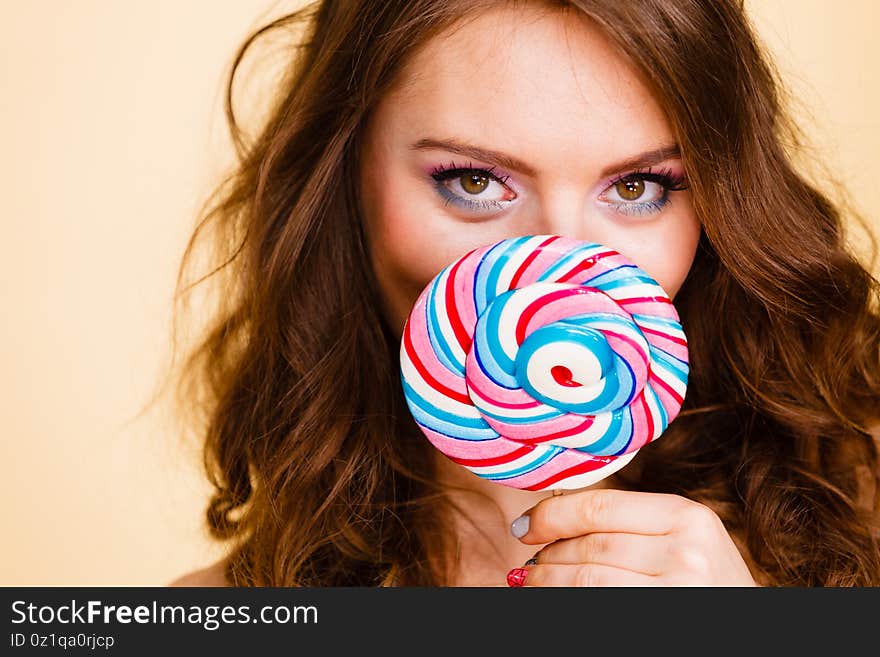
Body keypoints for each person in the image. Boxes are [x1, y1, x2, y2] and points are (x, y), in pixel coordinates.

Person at [167, 0, 880, 587]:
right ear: (343, 180)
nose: (558, 266)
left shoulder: (860, 522)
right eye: (474, 181)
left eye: (637, 187)